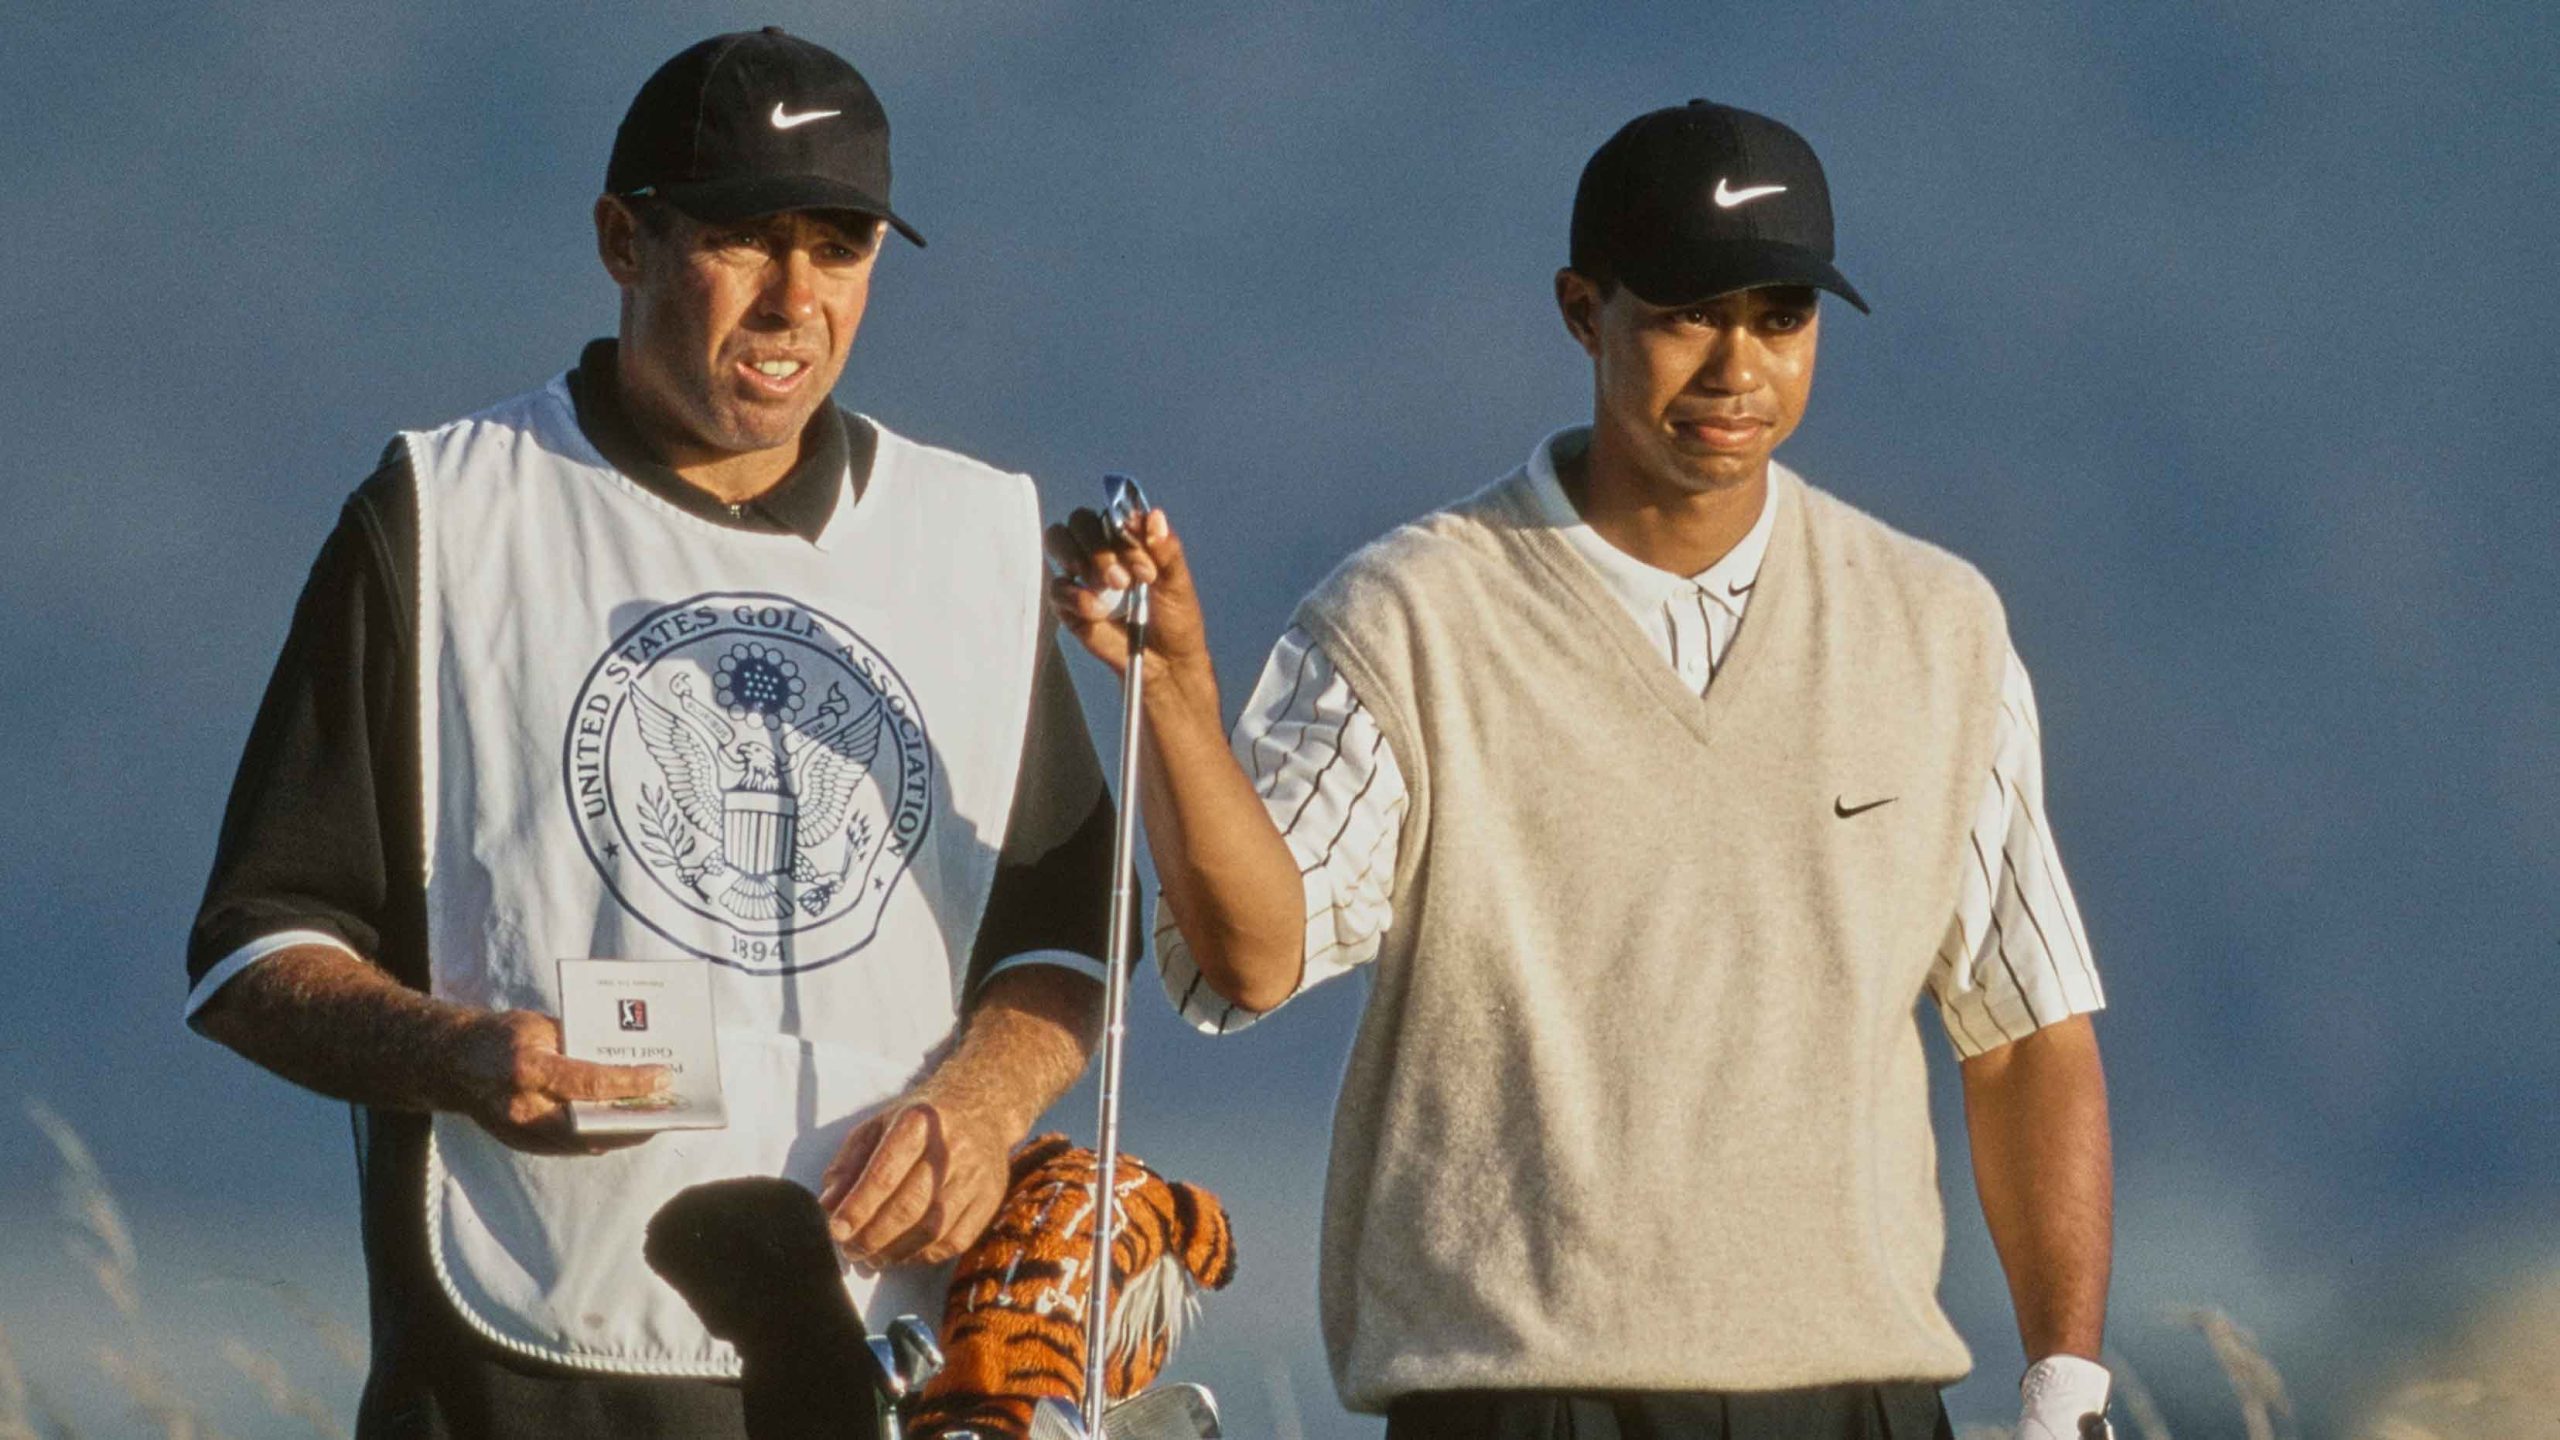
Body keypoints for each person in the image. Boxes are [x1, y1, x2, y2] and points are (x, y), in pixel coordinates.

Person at [1048, 101, 2116, 1440]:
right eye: (1685, 313)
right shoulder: (1410, 618)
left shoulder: (1937, 628)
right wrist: (1185, 706)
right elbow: (1249, 958)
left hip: (1862, 1400)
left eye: (1779, 317)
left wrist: (2064, 1381)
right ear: (1581, 309)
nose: (1738, 365)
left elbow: (2025, 1034)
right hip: (1522, 1400)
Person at [187, 29, 1117, 1439]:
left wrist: (983, 1106)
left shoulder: (973, 538)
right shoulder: (445, 518)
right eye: (745, 237)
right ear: (625, 239)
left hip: (882, 1357)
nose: (794, 297)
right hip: (522, 1359)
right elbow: (256, 950)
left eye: (842, 244)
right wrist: (458, 1056)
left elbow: (1060, 938)